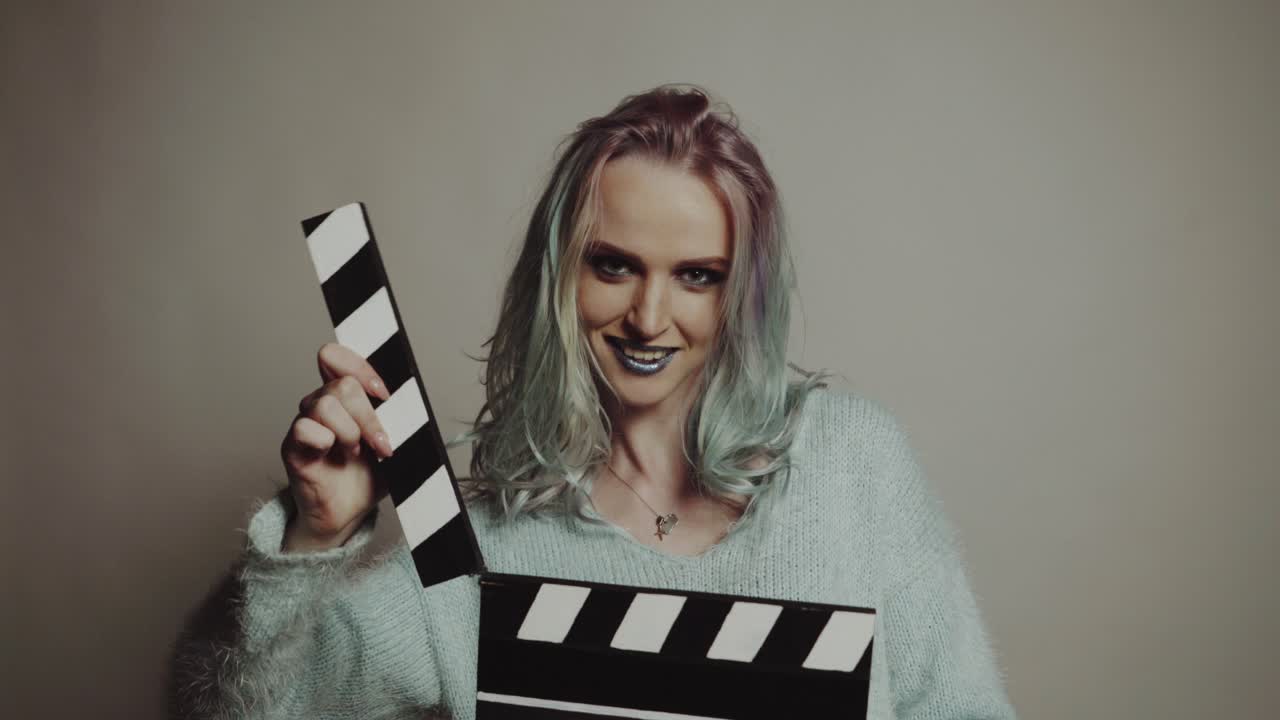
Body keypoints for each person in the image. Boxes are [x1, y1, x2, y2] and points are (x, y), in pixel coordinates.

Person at [167, 84, 1016, 719]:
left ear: (741, 296)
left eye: (696, 276)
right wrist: (317, 534)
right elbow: (243, 712)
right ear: (558, 276)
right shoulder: (479, 551)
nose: (649, 316)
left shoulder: (851, 465)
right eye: (613, 264)